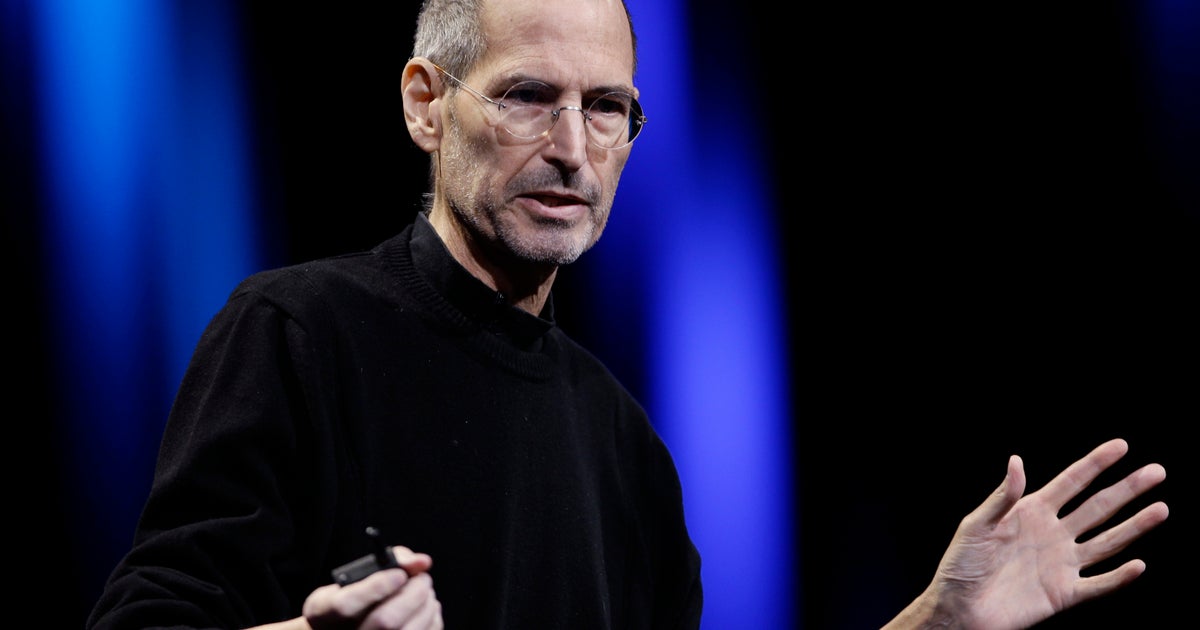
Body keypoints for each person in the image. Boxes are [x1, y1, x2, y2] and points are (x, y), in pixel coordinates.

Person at [86, 1, 1169, 629]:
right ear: (426, 104)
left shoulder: (624, 446)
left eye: (606, 108)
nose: (572, 148)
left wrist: (935, 621)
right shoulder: (297, 333)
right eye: (528, 96)